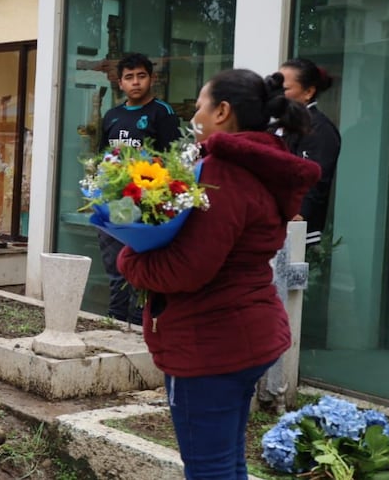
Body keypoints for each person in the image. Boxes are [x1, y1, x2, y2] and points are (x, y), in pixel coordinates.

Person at [118, 69, 320, 479]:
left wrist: (130, 261)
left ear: (222, 112)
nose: (195, 118)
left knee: (210, 469)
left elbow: (189, 268)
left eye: (199, 109)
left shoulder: (223, 173)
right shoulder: (260, 166)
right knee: (228, 461)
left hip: (211, 342)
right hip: (244, 331)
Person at [96, 53, 181, 322]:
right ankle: (116, 317)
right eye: (129, 77)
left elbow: (174, 162)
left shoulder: (162, 113)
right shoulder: (112, 116)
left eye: (141, 76)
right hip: (117, 203)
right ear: (120, 83)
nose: (136, 83)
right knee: (115, 262)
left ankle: (139, 319)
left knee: (141, 262)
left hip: (148, 205)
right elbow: (102, 159)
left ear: (151, 79)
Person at [279, 58, 341, 247]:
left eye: (285, 88)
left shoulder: (320, 129)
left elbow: (315, 180)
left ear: (308, 92)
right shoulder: (283, 123)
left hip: (297, 232)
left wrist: (298, 216)